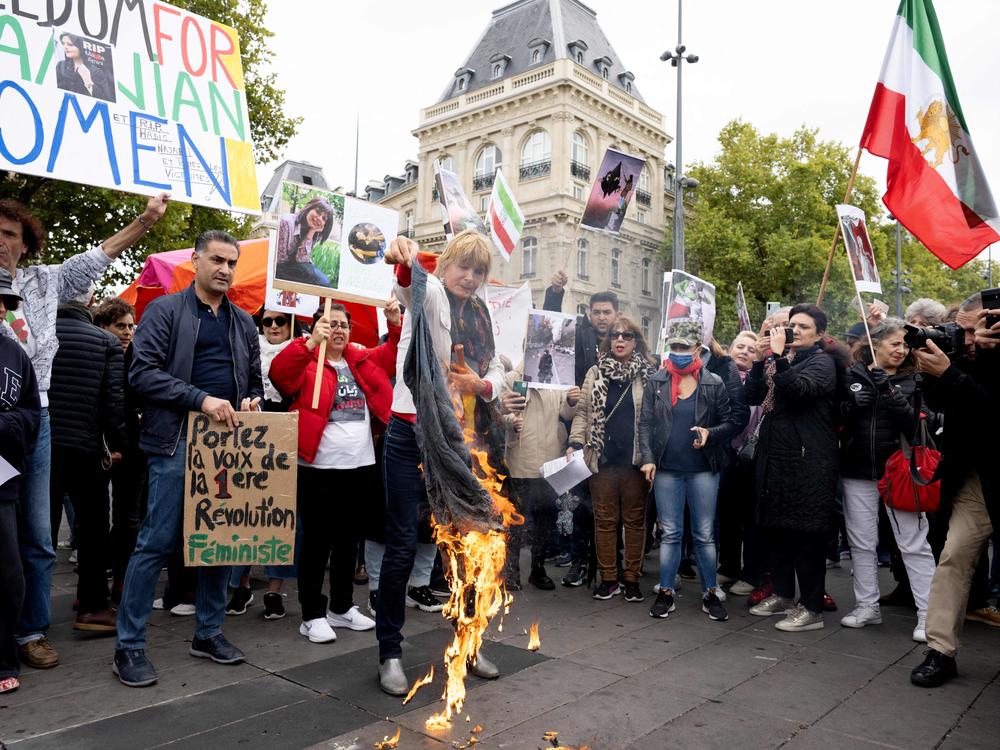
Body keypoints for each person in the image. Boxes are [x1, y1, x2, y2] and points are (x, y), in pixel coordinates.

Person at [0, 192, 167, 670]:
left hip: (39, 424)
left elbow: (99, 255)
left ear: (26, 243)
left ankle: (31, 632)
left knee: (38, 537)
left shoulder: (44, 281)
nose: (2, 242)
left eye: (11, 234)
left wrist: (144, 220)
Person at [114, 230, 263, 688]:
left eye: (231, 262)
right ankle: (129, 647)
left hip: (228, 447)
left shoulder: (243, 322)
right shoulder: (164, 311)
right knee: (156, 542)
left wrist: (252, 400)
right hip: (176, 440)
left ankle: (209, 632)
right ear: (196, 261)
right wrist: (202, 400)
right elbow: (141, 375)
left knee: (223, 540)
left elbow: (254, 379)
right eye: (217, 259)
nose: (224, 269)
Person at [376, 231, 505, 696]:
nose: (470, 278)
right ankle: (390, 653)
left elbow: (496, 369)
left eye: (479, 271)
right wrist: (401, 254)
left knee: (466, 547)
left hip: (458, 440)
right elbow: (409, 280)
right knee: (402, 547)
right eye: (463, 267)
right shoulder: (428, 293)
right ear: (446, 263)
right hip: (409, 433)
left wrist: (481, 384)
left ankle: (469, 645)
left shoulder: (481, 313)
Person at [269, 299, 400, 642]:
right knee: (316, 543)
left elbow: (392, 356)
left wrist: (395, 323)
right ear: (317, 327)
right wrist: (311, 343)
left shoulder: (360, 359)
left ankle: (340, 608)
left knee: (349, 541)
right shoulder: (307, 361)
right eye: (330, 323)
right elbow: (279, 375)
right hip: (318, 468)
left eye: (343, 324)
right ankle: (311, 614)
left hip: (360, 465)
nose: (337, 329)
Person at [910, 294, 1000, 687]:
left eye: (971, 329)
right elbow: (941, 400)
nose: (965, 337)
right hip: (974, 481)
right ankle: (940, 651)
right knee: (953, 558)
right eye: (960, 329)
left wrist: (952, 374)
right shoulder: (967, 356)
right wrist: (935, 372)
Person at [839, 319, 934, 642]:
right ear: (875, 343)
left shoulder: (914, 380)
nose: (901, 350)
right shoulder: (852, 375)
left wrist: (888, 390)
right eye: (894, 343)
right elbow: (838, 417)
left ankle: (928, 614)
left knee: (913, 543)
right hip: (857, 470)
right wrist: (849, 406)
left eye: (904, 345)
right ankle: (867, 605)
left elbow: (914, 422)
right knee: (861, 542)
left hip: (900, 471)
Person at [639, 320, 741, 621]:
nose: (678, 352)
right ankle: (666, 592)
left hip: (703, 469)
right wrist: (647, 457)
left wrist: (711, 432)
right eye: (674, 347)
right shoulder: (656, 381)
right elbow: (644, 424)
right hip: (667, 469)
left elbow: (732, 421)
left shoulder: (713, 382)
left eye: (684, 347)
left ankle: (711, 592)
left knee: (705, 534)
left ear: (698, 349)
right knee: (670, 533)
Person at [746, 304, 839, 632]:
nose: (794, 331)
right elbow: (753, 396)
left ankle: (811, 608)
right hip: (776, 460)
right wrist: (759, 362)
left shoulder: (821, 363)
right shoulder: (779, 360)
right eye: (791, 325)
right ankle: (784, 595)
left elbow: (799, 390)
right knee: (777, 532)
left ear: (820, 334)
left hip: (808, 462)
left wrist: (780, 360)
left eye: (802, 326)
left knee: (807, 537)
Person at [47, 285, 126, 633]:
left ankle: (26, 614)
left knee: (37, 533)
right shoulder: (105, 342)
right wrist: (120, 443)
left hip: (41, 447)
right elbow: (113, 405)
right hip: (87, 448)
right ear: (91, 303)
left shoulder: (36, 333)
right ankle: (93, 607)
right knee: (94, 528)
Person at [568, 316, 656, 603]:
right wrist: (576, 442)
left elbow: (654, 418)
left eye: (627, 336)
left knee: (634, 522)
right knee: (605, 521)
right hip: (602, 459)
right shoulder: (595, 371)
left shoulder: (648, 373)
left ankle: (631, 579)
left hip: (635, 461)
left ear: (636, 341)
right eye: (616, 335)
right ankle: (609, 579)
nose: (620, 340)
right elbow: (582, 412)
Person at [226, 309, 303, 620]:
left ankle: (274, 589)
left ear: (291, 323)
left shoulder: (304, 352)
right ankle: (242, 584)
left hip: (288, 444)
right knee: (246, 513)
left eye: (280, 321)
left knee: (282, 517)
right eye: (267, 321)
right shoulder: (249, 350)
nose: (273, 326)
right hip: (252, 445)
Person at [543, 280, 619, 587]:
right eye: (596, 312)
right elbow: (551, 325)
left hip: (616, 441)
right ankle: (578, 562)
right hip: (580, 429)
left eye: (607, 312)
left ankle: (611, 567)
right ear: (589, 314)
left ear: (617, 314)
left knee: (610, 507)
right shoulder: (581, 335)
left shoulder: (624, 341)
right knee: (580, 501)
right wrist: (555, 293)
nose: (601, 317)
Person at [0, 271, 41, 695]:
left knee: (9, 575)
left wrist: (3, 424)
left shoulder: (14, 353)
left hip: (2, 480)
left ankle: (3, 657)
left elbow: (31, 413)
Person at [501, 371, 579, 590]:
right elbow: (501, 411)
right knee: (517, 521)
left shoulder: (556, 377)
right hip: (521, 461)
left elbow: (565, 412)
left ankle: (538, 569)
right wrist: (511, 421)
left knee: (544, 522)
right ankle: (511, 573)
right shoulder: (513, 377)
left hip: (550, 461)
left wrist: (572, 401)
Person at [92, 297, 142, 601]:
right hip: (100, 446)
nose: (127, 332)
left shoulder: (139, 358)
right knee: (95, 517)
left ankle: (123, 580)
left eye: (131, 326)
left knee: (128, 517)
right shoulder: (95, 356)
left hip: (134, 448)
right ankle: (95, 584)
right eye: (119, 326)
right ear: (102, 326)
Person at [717, 331, 764, 597]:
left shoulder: (759, 380)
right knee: (728, 514)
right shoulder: (719, 378)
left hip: (753, 456)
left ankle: (751, 572)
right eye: (740, 346)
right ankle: (729, 565)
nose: (745, 351)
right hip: (726, 453)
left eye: (751, 349)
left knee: (750, 517)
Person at [275, 198, 337, 286]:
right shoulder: (285, 223)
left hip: (293, 265)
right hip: (278, 269)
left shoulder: (312, 231)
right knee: (320, 282)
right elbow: (280, 260)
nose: (319, 218)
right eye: (318, 212)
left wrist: (311, 232)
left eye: (324, 218)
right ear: (309, 208)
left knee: (323, 281)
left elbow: (302, 259)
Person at [55, 33, 114, 102]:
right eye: (63, 43)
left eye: (70, 44)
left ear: (80, 46)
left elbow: (106, 101)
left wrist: (88, 81)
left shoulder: (96, 72)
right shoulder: (60, 66)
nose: (65, 47)